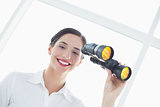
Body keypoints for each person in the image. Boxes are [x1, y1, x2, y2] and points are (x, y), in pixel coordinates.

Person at [0, 28, 126, 107]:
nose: (67, 55)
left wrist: (109, 99)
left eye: (75, 52)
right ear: (50, 48)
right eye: (62, 47)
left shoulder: (76, 105)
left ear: (79, 62)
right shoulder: (15, 81)